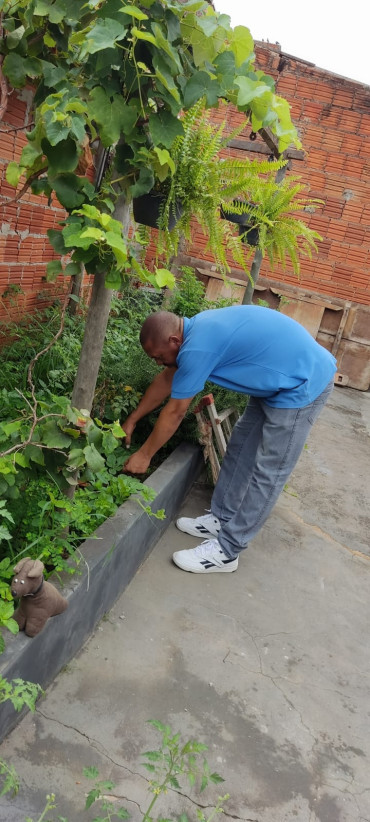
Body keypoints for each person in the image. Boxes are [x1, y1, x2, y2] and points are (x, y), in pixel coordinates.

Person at [123, 306, 336, 574]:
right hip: (274, 382)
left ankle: (228, 550)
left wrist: (144, 455)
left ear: (174, 341)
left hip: (301, 384)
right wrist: (132, 420)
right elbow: (167, 378)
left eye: (159, 356)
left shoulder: (197, 347)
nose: (158, 362)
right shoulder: (192, 333)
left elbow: (176, 411)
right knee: (239, 448)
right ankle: (221, 517)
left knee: (269, 472)